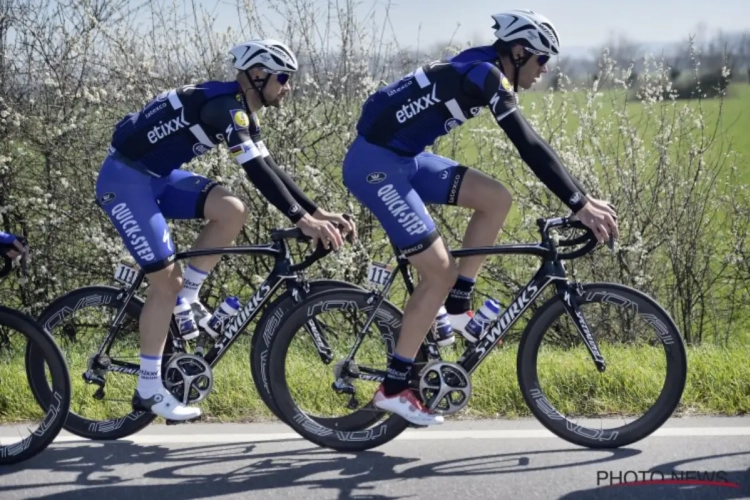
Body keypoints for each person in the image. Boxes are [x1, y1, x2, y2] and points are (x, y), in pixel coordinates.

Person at [342, 10, 618, 426]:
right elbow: (527, 142)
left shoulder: (485, 67)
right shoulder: (486, 74)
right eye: (542, 59)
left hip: (405, 159)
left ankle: (456, 308)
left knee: (495, 198)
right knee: (438, 271)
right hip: (375, 166)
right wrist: (579, 202)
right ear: (520, 51)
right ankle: (394, 388)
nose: (545, 69)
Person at [95, 39, 356, 421]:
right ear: (257, 74)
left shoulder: (238, 108)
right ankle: (149, 387)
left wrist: (318, 211)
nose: (288, 86)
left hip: (158, 178)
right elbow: (255, 171)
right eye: (283, 77)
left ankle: (188, 296)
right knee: (164, 282)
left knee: (232, 210)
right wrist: (304, 221)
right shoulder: (224, 108)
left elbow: (271, 168)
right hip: (125, 182)